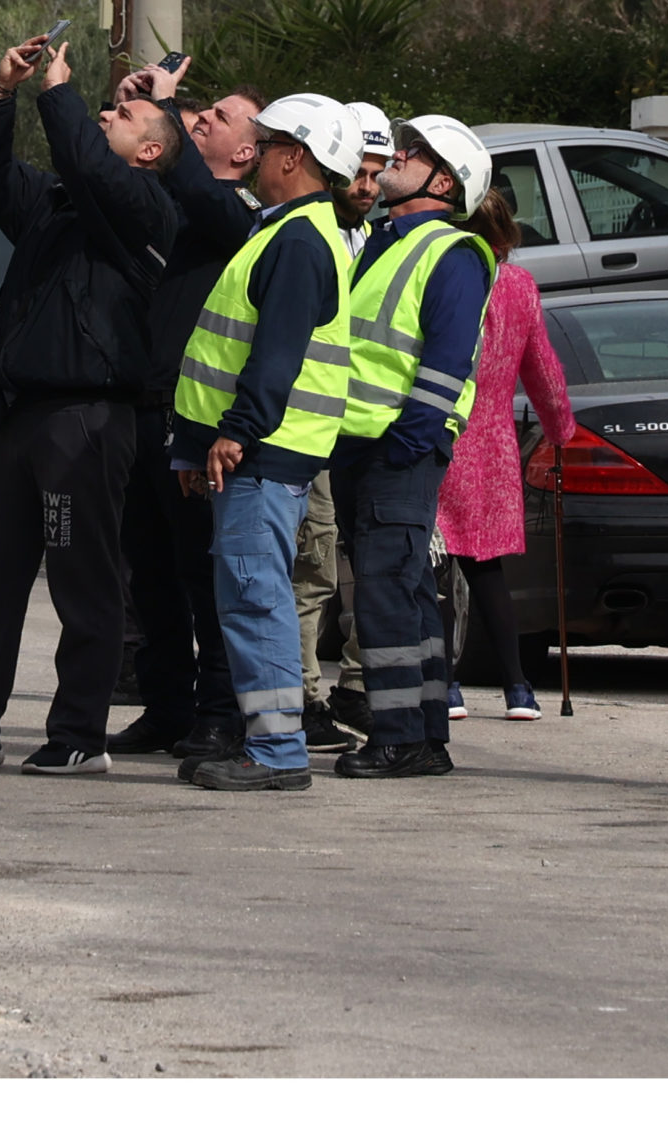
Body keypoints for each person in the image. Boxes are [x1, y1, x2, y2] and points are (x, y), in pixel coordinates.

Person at [0, 32, 182, 774]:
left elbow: (87, 161)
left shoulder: (145, 208)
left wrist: (59, 93)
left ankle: (79, 734)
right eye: (103, 110)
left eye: (122, 118)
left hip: (85, 419)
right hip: (21, 416)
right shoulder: (56, 205)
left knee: (83, 579)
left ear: (149, 152)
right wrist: (0, 93)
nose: (107, 117)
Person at [170, 93, 359, 791]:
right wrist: (198, 444)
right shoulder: (284, 231)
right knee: (252, 595)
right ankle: (267, 745)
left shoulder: (300, 241)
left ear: (293, 156)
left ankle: (277, 754)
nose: (257, 151)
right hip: (252, 453)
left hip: (262, 453)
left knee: (256, 597)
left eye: (269, 139)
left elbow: (275, 359)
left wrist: (234, 435)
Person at [103, 63, 265, 764]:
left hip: (196, 423)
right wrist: (130, 108)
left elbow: (198, 195)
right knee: (151, 571)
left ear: (248, 154)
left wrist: (164, 113)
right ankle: (164, 706)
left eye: (220, 117)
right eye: (200, 112)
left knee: (205, 573)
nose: (203, 118)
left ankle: (220, 713)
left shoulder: (239, 216)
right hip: (144, 410)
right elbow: (131, 175)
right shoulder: (180, 194)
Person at [329, 115, 496, 780]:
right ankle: (423, 735)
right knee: (407, 589)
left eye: (417, 152)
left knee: (386, 592)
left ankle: (398, 737)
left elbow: (448, 359)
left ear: (444, 180)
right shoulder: (383, 240)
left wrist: (410, 441)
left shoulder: (450, 251)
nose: (398, 155)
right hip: (361, 443)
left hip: (394, 447)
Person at [436, 187, 575, 720]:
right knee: (485, 569)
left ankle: (445, 683)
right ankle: (518, 687)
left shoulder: (445, 275)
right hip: (491, 441)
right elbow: (542, 368)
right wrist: (561, 429)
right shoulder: (519, 286)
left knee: (434, 569)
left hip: (438, 430)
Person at [294, 99, 397, 750]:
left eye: (377, 173)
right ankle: (302, 699)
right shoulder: (308, 234)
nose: (367, 185)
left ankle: (357, 690)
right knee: (315, 568)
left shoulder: (381, 239)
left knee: (384, 568)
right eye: (357, 171)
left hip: (370, 432)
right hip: (313, 430)